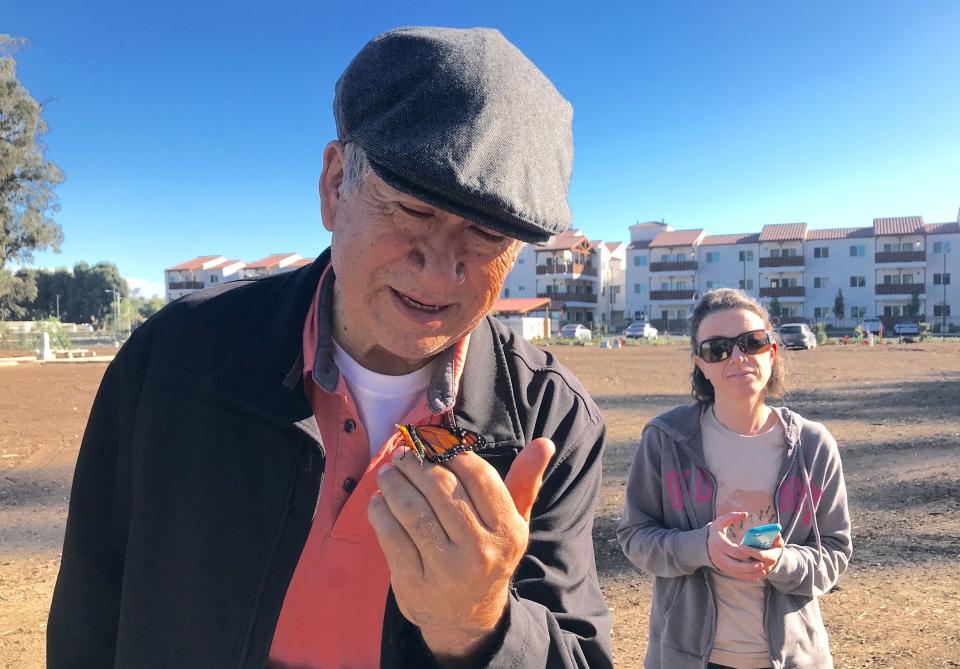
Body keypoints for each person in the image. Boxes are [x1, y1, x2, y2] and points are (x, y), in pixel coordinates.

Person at [47, 27, 612, 669]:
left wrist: (479, 627)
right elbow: (90, 608)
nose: (440, 270)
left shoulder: (551, 422)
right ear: (335, 182)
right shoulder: (174, 363)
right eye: (412, 210)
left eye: (486, 234)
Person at [617, 288, 852, 669]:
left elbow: (835, 552)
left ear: (772, 352)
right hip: (687, 658)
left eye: (752, 342)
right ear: (701, 364)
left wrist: (783, 562)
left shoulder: (813, 445)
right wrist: (701, 547)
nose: (738, 357)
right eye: (718, 349)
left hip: (794, 659)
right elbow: (635, 536)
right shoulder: (666, 439)